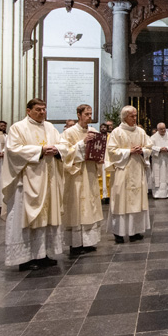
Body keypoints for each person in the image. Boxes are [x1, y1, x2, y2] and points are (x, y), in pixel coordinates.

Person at [3, 99, 65, 270]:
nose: (42, 113)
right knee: (26, 218)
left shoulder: (50, 127)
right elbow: (13, 150)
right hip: (27, 182)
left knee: (46, 217)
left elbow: (62, 144)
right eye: (38, 110)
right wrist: (40, 151)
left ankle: (42, 254)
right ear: (28, 110)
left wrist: (58, 150)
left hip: (48, 180)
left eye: (44, 109)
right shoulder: (18, 128)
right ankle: (25, 258)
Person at [58, 104, 104, 256]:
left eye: (91, 114)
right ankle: (76, 243)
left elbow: (100, 149)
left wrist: (100, 157)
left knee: (91, 205)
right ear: (79, 115)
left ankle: (89, 241)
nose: (89, 117)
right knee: (77, 205)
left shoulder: (94, 131)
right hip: (76, 174)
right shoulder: (69, 133)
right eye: (86, 114)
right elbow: (64, 153)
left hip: (90, 171)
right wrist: (82, 143)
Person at [105, 106, 153, 243]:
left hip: (137, 170)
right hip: (122, 171)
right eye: (132, 116)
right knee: (121, 201)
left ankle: (135, 231)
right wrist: (128, 152)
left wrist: (142, 151)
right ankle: (119, 233)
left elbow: (149, 147)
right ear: (125, 117)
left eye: (136, 116)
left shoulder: (141, 131)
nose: (135, 118)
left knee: (137, 200)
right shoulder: (117, 132)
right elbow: (111, 151)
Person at [149, 122, 168, 199]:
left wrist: (167, 148)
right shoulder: (153, 138)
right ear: (157, 129)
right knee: (158, 175)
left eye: (164, 128)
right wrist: (159, 149)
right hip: (158, 160)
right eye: (161, 129)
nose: (163, 130)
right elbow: (150, 147)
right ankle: (157, 193)